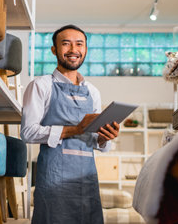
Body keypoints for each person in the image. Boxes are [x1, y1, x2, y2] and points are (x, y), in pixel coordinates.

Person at [21, 24, 120, 224]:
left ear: (85, 50)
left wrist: (104, 137)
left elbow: (95, 141)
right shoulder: (41, 85)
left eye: (79, 44)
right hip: (54, 176)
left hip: (87, 177)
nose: (73, 50)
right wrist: (76, 128)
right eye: (66, 44)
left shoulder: (93, 91)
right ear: (54, 50)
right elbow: (28, 133)